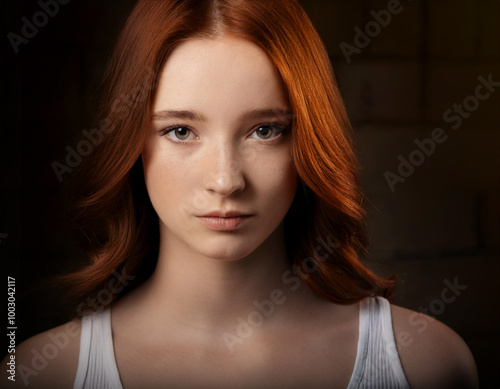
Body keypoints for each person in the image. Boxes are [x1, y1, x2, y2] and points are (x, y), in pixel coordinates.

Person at [2, 0, 479, 388]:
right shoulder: (39, 375)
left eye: (265, 130)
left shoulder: (427, 366)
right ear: (131, 144)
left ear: (310, 140)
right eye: (181, 131)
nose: (226, 181)